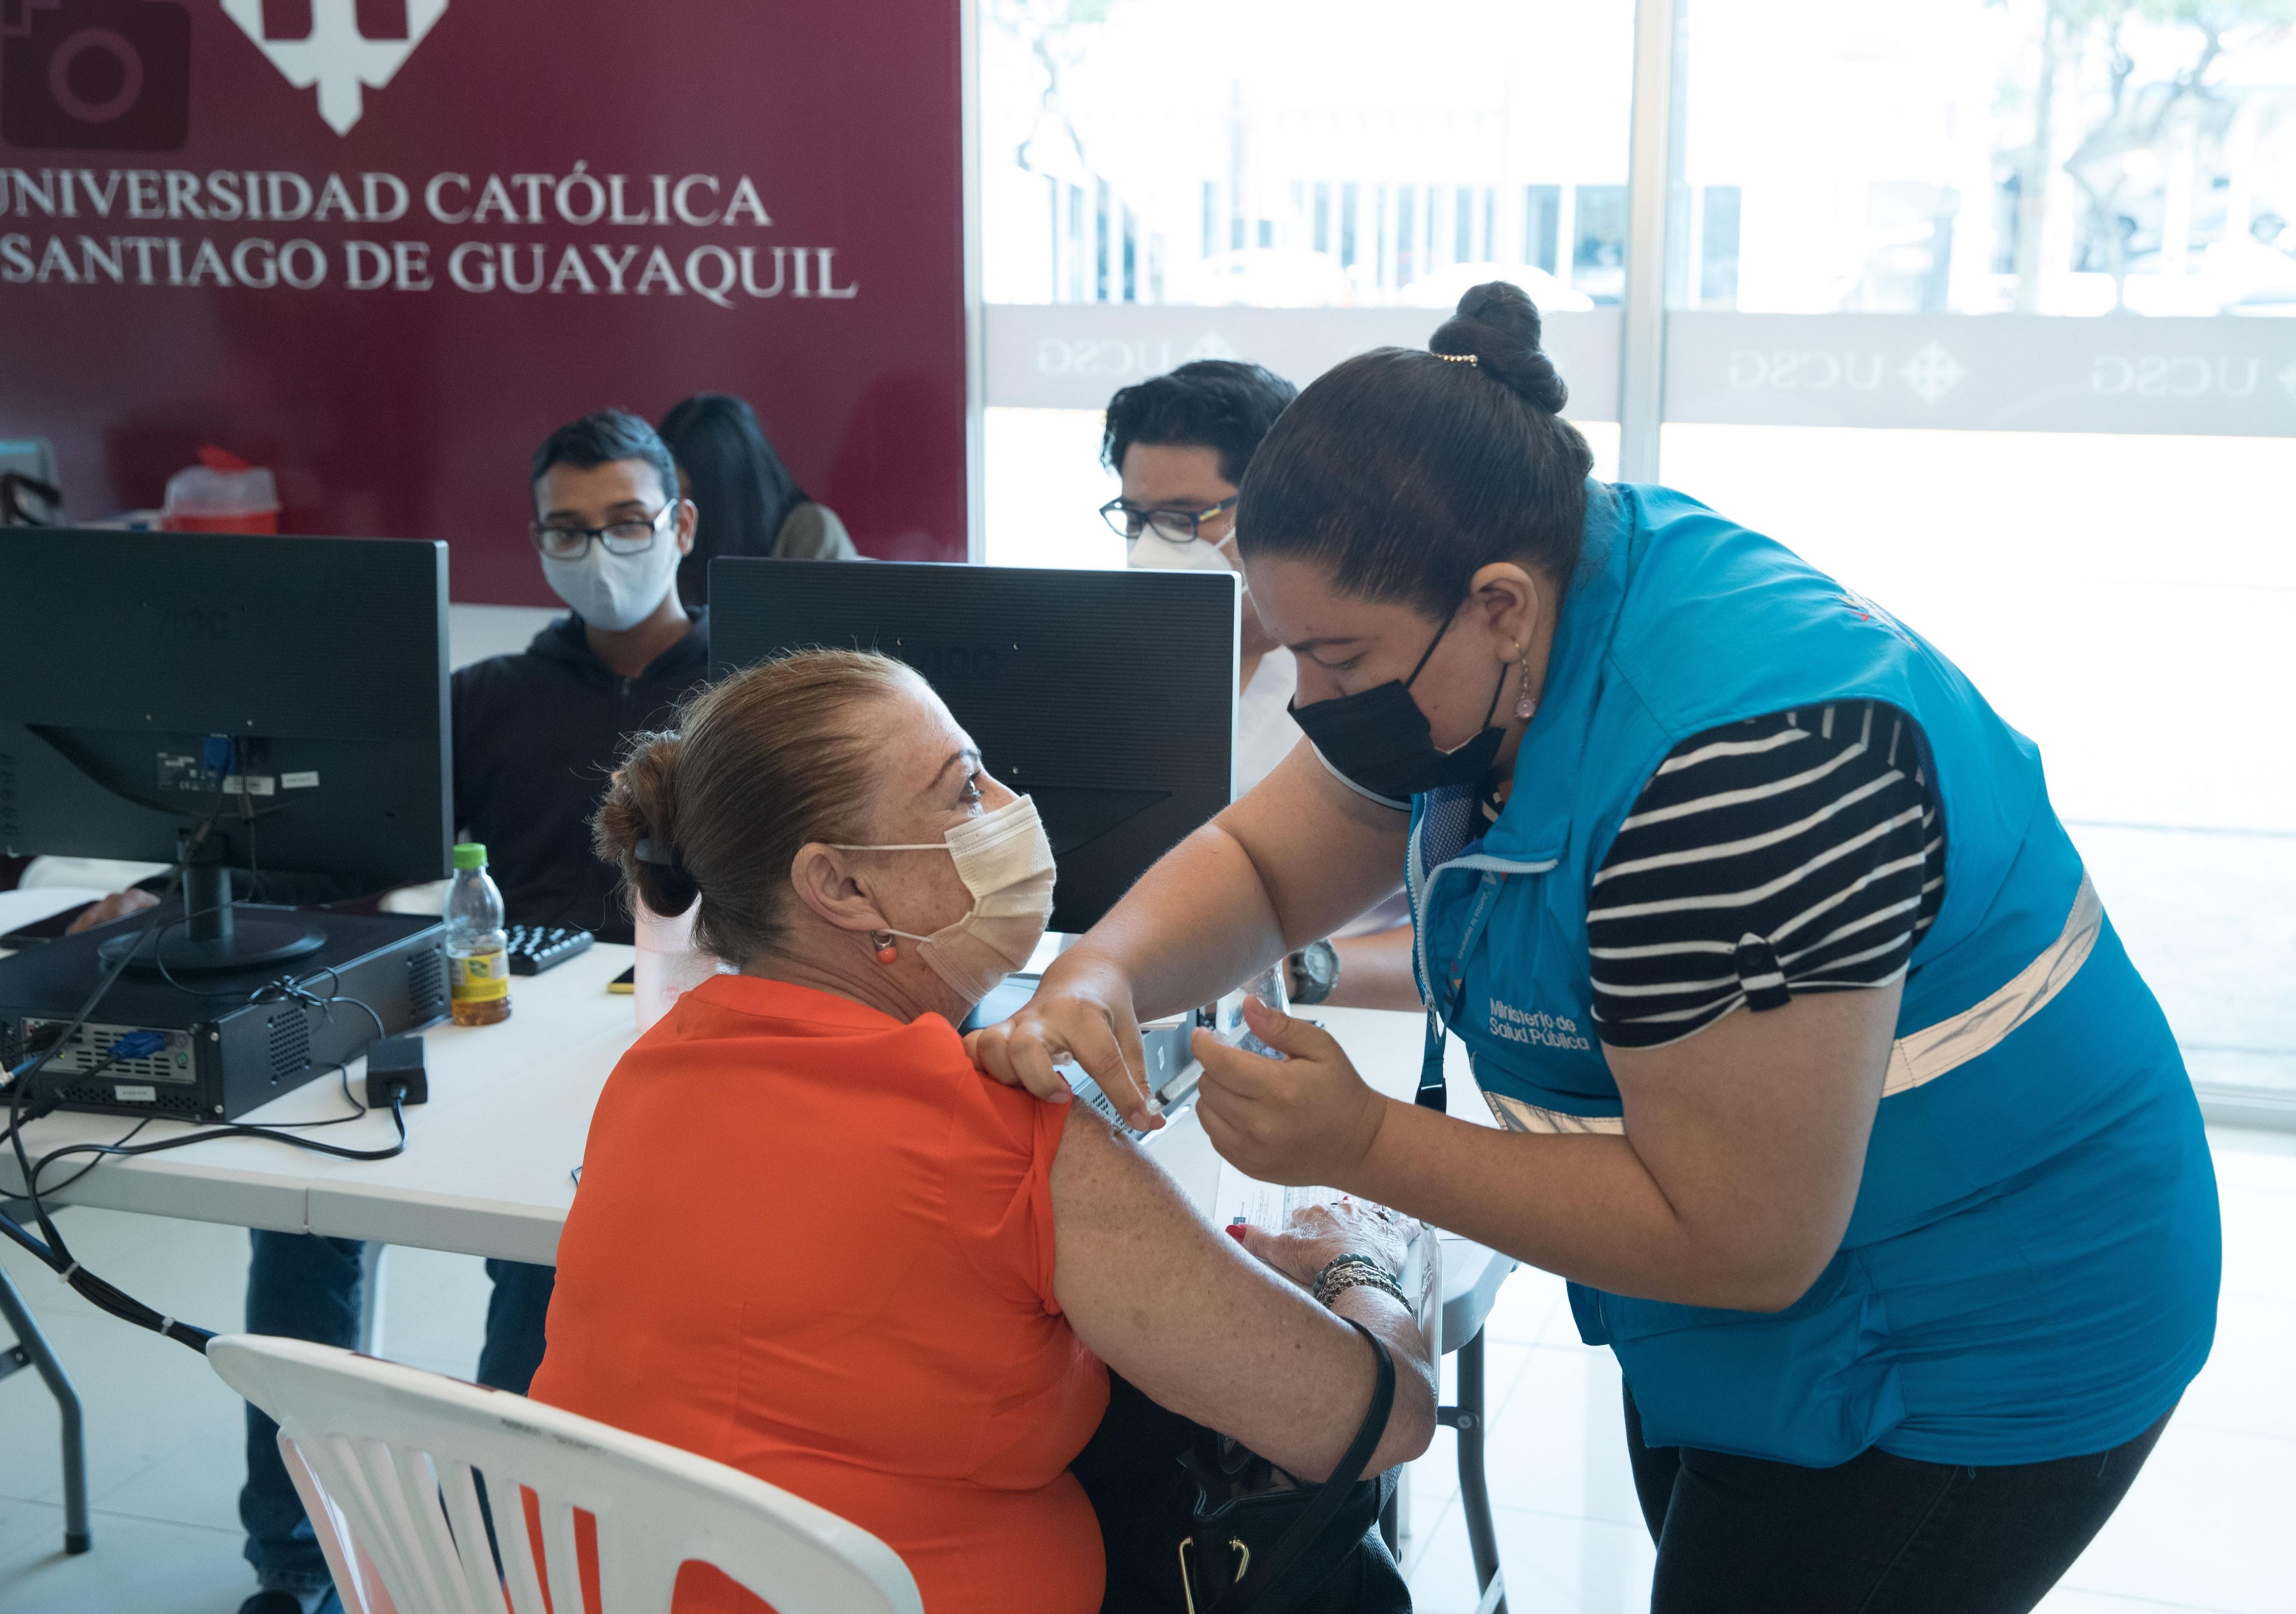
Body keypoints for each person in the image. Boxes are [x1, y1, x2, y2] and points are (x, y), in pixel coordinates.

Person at [975, 283, 2222, 1614]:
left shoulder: (1748, 770)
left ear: (1501, 604)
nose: (1313, 699)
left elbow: (1741, 1237)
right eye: (1292, 647)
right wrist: (1097, 971)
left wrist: (1362, 1145)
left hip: (1978, 1330)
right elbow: (1268, 862)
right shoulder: (1519, 605)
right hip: (1754, 1304)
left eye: (1336, 657)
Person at [529, 647, 1435, 1614]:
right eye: (965, 789)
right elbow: (1378, 1420)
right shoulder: (997, 1129)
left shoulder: (652, 1068)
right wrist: (1360, 1268)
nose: (1011, 801)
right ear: (840, 886)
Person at [233, 409, 706, 1614]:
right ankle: (295, 1557)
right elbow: (343, 842)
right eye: (567, 529)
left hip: (660, 1040)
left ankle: (497, 1553)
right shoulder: (486, 695)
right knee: (303, 1212)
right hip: (485, 1018)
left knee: (544, 1258)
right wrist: (160, 883)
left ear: (682, 525)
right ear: (535, 542)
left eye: (625, 523)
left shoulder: (750, 700)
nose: (597, 551)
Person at [1102, 360, 1418, 1013]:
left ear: (1286, 506)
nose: (1151, 547)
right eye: (1136, 518)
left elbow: (1478, 942)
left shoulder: (1391, 675)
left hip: (1356, 1021)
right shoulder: (1121, 672)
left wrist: (1303, 970)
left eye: (1189, 518)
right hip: (1160, 1015)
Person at [658, 392, 855, 608]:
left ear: (730, 492)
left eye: (692, 493)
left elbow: (818, 635)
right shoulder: (671, 536)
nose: (680, 510)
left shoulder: (810, 530)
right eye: (671, 493)